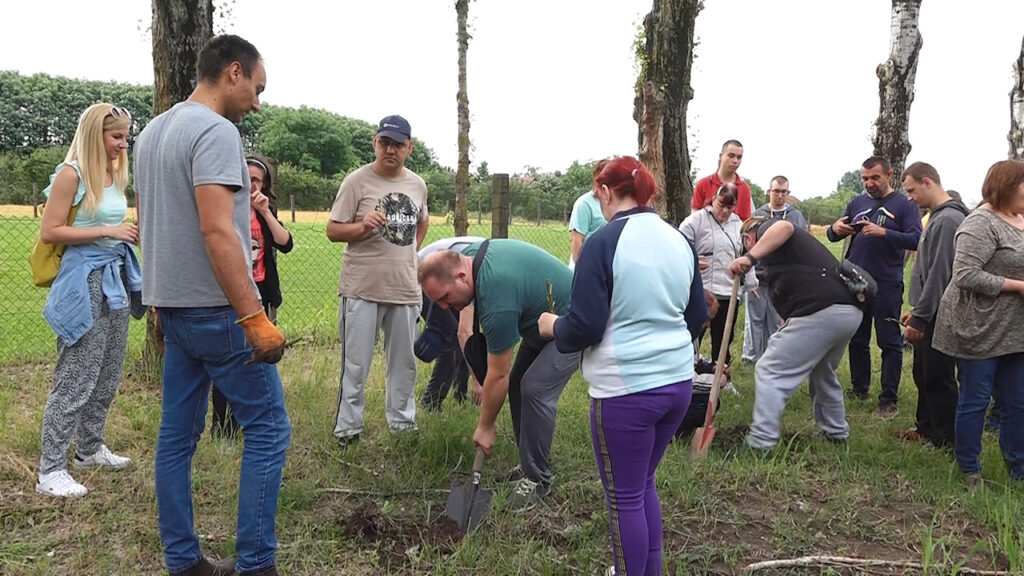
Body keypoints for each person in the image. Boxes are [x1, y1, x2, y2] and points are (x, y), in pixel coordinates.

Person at [134, 35, 288, 576]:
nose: (257, 101)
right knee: (269, 429)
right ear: (234, 72)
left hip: (170, 312)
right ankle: (256, 565)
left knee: (175, 439)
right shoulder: (217, 132)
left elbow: (156, 226)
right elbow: (218, 232)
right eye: (257, 88)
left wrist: (157, 300)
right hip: (219, 314)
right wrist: (254, 318)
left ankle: (184, 562)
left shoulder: (152, 133)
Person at [536, 156, 708, 576]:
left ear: (606, 192)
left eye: (599, 194)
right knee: (642, 484)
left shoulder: (603, 242)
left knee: (623, 498)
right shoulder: (677, 239)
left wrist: (551, 325)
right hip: (677, 384)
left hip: (627, 390)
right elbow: (696, 315)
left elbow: (586, 327)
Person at [418, 239, 579, 511]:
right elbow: (467, 333)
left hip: (573, 323)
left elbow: (498, 375)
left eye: (445, 298)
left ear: (460, 276)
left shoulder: (496, 297)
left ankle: (539, 479)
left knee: (535, 390)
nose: (444, 307)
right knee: (518, 387)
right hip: (538, 324)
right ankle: (529, 465)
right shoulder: (468, 261)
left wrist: (485, 426)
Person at [36, 103, 141, 498]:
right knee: (77, 373)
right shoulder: (72, 174)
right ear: (95, 135)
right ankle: (50, 469)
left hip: (114, 275)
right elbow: (50, 231)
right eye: (116, 136)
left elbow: (113, 225)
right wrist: (107, 230)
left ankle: (89, 448)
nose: (122, 143)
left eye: (125, 136)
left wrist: (126, 234)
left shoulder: (114, 174)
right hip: (84, 279)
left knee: (108, 367)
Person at [327, 114, 429, 446]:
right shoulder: (356, 182)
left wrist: (411, 252)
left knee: (404, 366)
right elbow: (333, 230)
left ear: (409, 148)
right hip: (362, 289)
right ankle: (348, 430)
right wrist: (361, 227)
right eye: (385, 142)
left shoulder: (417, 185)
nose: (390, 150)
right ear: (375, 142)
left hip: (405, 289)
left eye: (398, 144)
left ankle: (402, 426)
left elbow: (421, 223)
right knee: (355, 365)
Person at [730, 216, 864, 450]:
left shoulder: (766, 228)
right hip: (846, 311)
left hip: (824, 309)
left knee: (769, 368)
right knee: (822, 371)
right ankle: (835, 432)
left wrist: (750, 257)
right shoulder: (786, 253)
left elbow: (786, 226)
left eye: (746, 245)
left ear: (748, 238)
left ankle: (761, 441)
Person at [933, 159, 1024, 487]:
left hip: (1015, 329)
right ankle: (969, 468)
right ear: (1007, 185)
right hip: (978, 326)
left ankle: (1019, 470)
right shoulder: (981, 223)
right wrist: (1017, 286)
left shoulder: (1021, 219)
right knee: (976, 398)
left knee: (1017, 401)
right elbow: (965, 274)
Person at [826, 156, 921, 418]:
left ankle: (888, 399)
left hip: (887, 282)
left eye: (875, 177)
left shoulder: (903, 205)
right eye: (865, 178)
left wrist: (885, 233)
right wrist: (835, 229)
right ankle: (859, 388)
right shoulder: (857, 202)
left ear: (889, 175)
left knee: (889, 341)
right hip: (855, 279)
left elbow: (916, 239)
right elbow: (833, 233)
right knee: (857, 337)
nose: (869, 183)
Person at [210, 155, 293, 438]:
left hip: (262, 297)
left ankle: (253, 421)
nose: (251, 183)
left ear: (264, 185)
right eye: (246, 177)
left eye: (257, 179)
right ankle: (223, 428)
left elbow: (286, 244)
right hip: (229, 296)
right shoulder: (222, 209)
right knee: (227, 361)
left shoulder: (264, 211)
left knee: (260, 359)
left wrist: (266, 213)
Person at [897, 162, 967, 448]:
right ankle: (926, 428)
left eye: (912, 190)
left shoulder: (948, 219)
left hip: (942, 314)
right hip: (929, 311)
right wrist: (917, 310)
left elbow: (940, 274)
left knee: (939, 377)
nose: (910, 198)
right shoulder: (935, 217)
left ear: (928, 182)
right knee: (923, 372)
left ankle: (944, 439)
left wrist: (921, 318)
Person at [678, 183, 757, 368]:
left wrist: (752, 283)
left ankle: (721, 375)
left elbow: (746, 254)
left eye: (730, 207)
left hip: (729, 291)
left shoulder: (738, 224)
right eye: (721, 205)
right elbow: (678, 249)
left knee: (724, 338)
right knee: (693, 335)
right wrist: (692, 261)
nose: (725, 211)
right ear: (714, 199)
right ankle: (687, 371)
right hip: (702, 291)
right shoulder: (695, 221)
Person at [741, 175, 809, 364]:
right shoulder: (758, 215)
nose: (779, 195)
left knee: (776, 321)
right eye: (776, 191)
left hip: (783, 279)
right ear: (768, 192)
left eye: (783, 192)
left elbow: (802, 245)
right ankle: (750, 358)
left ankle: (772, 357)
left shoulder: (795, 216)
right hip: (759, 277)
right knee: (754, 320)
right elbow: (746, 245)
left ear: (788, 193)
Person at [417, 236, 484, 410]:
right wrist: (478, 379)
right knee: (452, 339)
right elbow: (463, 333)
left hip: (447, 279)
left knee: (464, 336)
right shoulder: (481, 269)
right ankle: (431, 402)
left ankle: (460, 394)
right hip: (429, 281)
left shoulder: (487, 264)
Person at [691, 139, 754, 220]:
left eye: (739, 157)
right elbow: (694, 218)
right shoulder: (703, 184)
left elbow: (744, 222)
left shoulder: (744, 188)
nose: (735, 161)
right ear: (721, 156)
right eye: (731, 156)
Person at [568, 158, 611, 269]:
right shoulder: (584, 204)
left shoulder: (613, 203)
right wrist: (583, 272)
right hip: (587, 270)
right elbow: (576, 241)